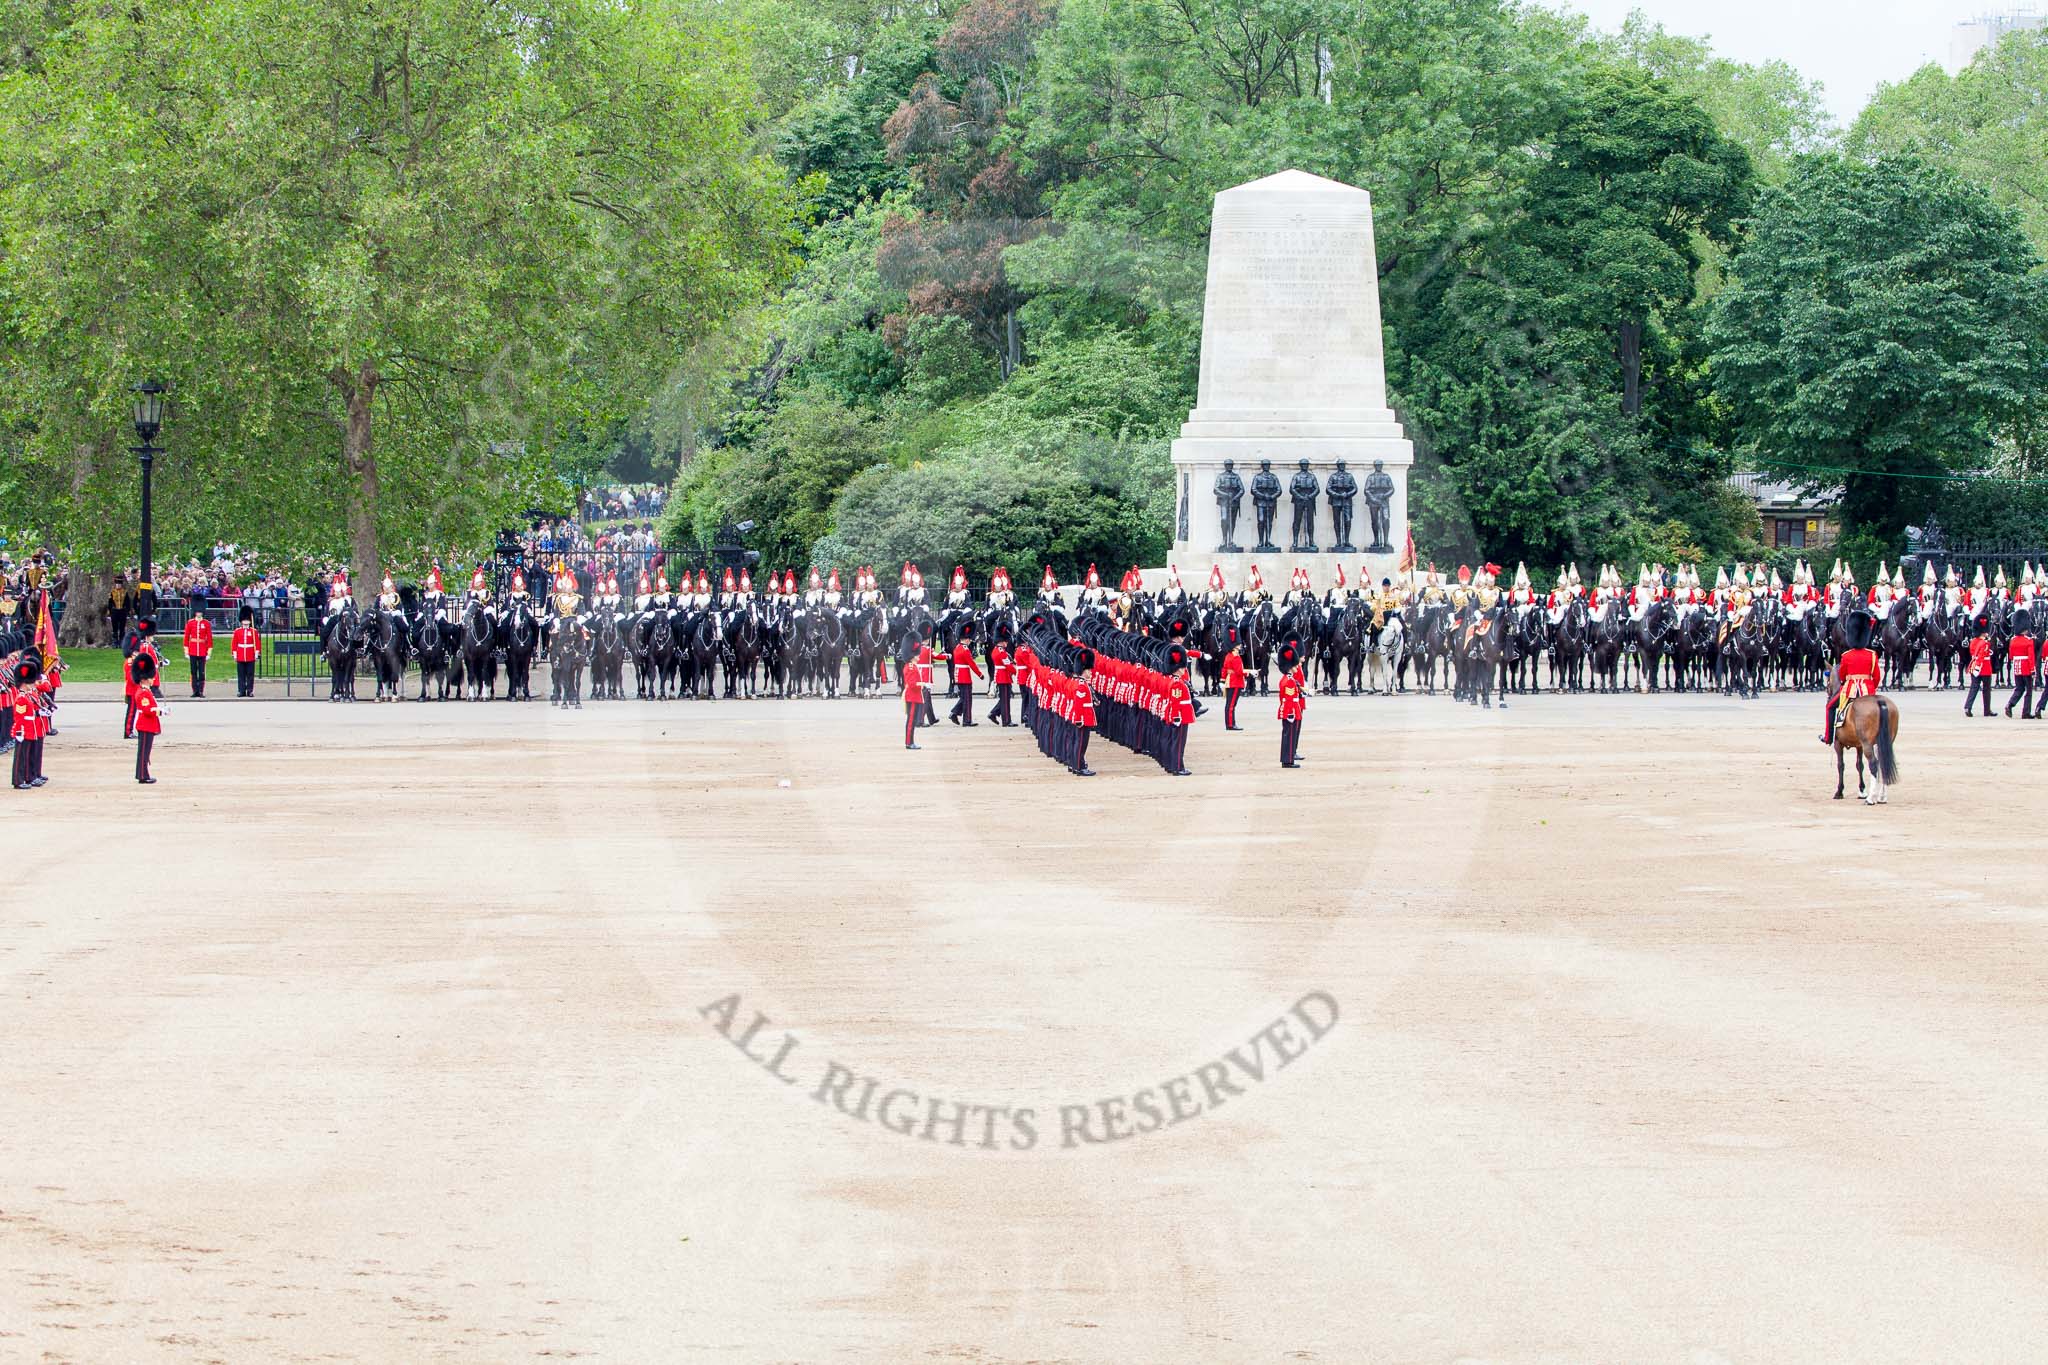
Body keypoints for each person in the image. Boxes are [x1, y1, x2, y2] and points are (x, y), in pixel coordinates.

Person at [1821, 615, 1883, 743]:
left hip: (1850, 690)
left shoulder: (1846, 656)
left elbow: (1842, 676)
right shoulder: (1872, 655)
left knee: (1830, 707)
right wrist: (1871, 687)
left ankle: (1828, 737)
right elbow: (1876, 677)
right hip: (1868, 690)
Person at [9, 657, 52, 789]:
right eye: (32, 681)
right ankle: (18, 780)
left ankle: (28, 777)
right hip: (24, 729)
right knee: (20, 757)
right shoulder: (21, 698)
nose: (34, 684)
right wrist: (19, 732)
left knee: (27, 756)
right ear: (25, 683)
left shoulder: (27, 696)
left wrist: (41, 712)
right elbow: (20, 717)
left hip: (31, 728)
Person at [131, 654, 163, 782]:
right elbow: (147, 709)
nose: (152, 679)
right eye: (150, 677)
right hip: (145, 725)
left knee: (145, 753)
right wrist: (160, 711)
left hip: (147, 725)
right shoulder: (143, 692)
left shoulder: (146, 691)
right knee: (144, 753)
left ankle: (142, 774)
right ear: (144, 679)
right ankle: (143, 776)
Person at [948, 628, 983, 726]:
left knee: (964, 697)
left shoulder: (957, 647)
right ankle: (966, 720)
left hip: (958, 675)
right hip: (964, 676)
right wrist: (980, 674)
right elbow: (971, 664)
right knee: (967, 699)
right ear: (966, 639)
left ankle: (954, 713)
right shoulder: (965, 650)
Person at [1165, 666, 1196, 776]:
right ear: (1178, 669)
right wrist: (1176, 717)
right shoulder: (1177, 683)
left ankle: (1176, 766)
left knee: (1178, 743)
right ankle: (1178, 767)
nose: (1184, 669)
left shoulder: (1179, 681)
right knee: (1179, 744)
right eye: (1182, 667)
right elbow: (1175, 702)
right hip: (1181, 716)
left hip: (1183, 714)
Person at [1963, 619, 1995, 718]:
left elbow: (1974, 653)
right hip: (1984, 667)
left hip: (1974, 665)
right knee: (1986, 689)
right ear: (1983, 632)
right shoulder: (1985, 643)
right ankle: (1987, 710)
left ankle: (1968, 706)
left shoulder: (1973, 641)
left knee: (1974, 687)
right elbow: (1981, 655)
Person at [1277, 663, 1306, 767]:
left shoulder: (1289, 679)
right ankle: (1288, 761)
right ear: (1289, 668)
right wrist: (1290, 713)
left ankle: (1287, 759)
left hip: (1291, 709)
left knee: (1288, 736)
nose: (1297, 667)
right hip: (1291, 710)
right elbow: (1289, 698)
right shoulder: (1289, 680)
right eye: (1294, 666)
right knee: (1289, 736)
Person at [903, 643, 931, 749]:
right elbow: (912, 684)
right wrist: (924, 684)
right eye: (917, 655)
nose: (919, 656)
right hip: (913, 697)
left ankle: (910, 741)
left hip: (914, 696)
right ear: (913, 656)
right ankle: (909, 742)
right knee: (911, 721)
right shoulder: (911, 667)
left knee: (912, 720)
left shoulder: (912, 666)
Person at [231, 605, 262, 697]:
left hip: (250, 655)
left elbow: (257, 643)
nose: (245, 622)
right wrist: (235, 654)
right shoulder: (237, 631)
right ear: (241, 621)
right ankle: (241, 690)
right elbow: (234, 643)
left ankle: (250, 690)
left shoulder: (254, 631)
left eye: (247, 620)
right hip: (240, 654)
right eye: (244, 620)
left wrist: (256, 654)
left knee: (250, 674)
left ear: (249, 620)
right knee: (241, 675)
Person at [182, 607, 213, 697]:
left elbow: (209, 639)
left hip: (203, 651)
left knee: (202, 672)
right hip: (193, 650)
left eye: (200, 612)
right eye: (197, 611)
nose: (199, 613)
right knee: (193, 672)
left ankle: (201, 691)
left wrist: (209, 652)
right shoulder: (190, 622)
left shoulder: (206, 623)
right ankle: (195, 691)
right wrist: (186, 651)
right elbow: (186, 637)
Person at [2006, 628, 2036, 718]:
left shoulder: (2013, 640)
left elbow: (2011, 656)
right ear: (2024, 630)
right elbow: (2031, 656)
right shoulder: (2029, 641)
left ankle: (2010, 704)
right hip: (2026, 667)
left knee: (2019, 688)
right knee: (2029, 690)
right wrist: (2033, 670)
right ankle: (2026, 712)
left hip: (2017, 667)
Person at [987, 637, 1015, 727]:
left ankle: (993, 713)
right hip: (1004, 677)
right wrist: (1016, 672)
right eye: (1005, 641)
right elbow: (1008, 665)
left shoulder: (996, 650)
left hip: (1000, 676)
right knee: (1005, 700)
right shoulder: (1001, 652)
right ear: (1002, 642)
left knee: (1004, 699)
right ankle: (1006, 721)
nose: (1007, 643)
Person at [1222, 641, 1246, 730]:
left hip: (1229, 681)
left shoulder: (1228, 656)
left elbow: (1224, 669)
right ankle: (1231, 724)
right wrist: (1250, 673)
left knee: (1229, 704)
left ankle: (1229, 723)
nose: (1240, 645)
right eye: (1238, 644)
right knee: (1231, 704)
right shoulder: (1236, 657)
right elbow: (1239, 672)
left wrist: (1222, 680)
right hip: (1235, 682)